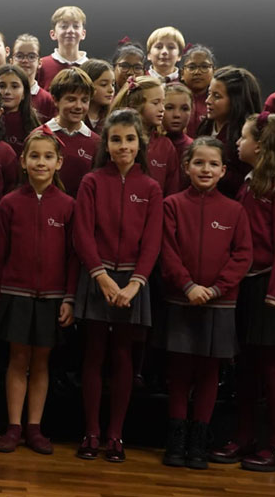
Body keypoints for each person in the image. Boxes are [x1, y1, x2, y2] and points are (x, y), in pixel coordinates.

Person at [210, 112, 275, 471]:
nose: (237, 142)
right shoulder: (249, 184)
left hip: (271, 289)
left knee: (272, 365)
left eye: (244, 137)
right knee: (247, 366)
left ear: (262, 145)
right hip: (247, 284)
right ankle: (245, 435)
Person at [71, 109, 163, 462]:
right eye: (116, 139)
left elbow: (152, 242)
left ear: (140, 143)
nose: (123, 146)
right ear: (106, 144)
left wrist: (134, 285)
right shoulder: (92, 181)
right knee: (94, 352)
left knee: (124, 354)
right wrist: (102, 277)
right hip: (99, 277)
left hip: (132, 283)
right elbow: (82, 233)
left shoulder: (151, 187)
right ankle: (91, 432)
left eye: (129, 139)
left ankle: (115, 435)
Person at [161, 137, 252, 470]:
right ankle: (176, 439)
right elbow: (167, 251)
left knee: (209, 371)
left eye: (213, 164)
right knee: (180, 370)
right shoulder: (171, 204)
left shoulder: (235, 210)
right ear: (187, 167)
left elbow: (243, 255)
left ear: (224, 170)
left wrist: (215, 290)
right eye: (199, 162)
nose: (206, 169)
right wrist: (187, 286)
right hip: (180, 299)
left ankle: (199, 439)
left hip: (219, 304)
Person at [0, 127, 77, 455]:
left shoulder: (68, 205)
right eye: (34, 156)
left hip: (52, 297)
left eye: (48, 157)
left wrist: (69, 297)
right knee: (18, 358)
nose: (41, 162)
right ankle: (13, 426)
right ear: (23, 161)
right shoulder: (9, 203)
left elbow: (73, 257)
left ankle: (35, 428)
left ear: (58, 163)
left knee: (41, 362)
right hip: (16, 294)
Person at [197, 66, 262, 200]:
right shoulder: (205, 126)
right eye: (209, 93)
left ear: (236, 101)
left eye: (216, 96)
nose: (208, 101)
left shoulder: (246, 135)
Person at [113, 75, 181, 195]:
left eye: (163, 103)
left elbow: (171, 190)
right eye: (155, 103)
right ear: (135, 104)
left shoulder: (165, 146)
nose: (162, 109)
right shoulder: (114, 141)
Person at [43, 68, 99, 198]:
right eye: (71, 99)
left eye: (84, 100)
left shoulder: (96, 142)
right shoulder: (40, 135)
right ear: (55, 100)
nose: (78, 106)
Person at [0, 64, 42, 156]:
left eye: (14, 86)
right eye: (1, 86)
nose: (7, 92)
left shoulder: (34, 127)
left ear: (24, 93)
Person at [37, 5, 89, 89]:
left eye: (76, 26)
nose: (70, 31)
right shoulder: (41, 65)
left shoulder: (91, 67)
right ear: (53, 34)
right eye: (64, 26)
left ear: (83, 34)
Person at [10, 33, 57, 119]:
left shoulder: (47, 100)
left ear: (40, 63)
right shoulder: (4, 95)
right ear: (11, 62)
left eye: (31, 57)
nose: (25, 60)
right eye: (19, 56)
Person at [180, 44, 215, 133]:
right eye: (192, 67)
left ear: (214, 72)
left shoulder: (219, 101)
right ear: (182, 73)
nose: (197, 72)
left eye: (204, 67)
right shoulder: (170, 96)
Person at [162, 82, 195, 165]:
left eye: (184, 109)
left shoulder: (194, 148)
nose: (177, 115)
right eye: (169, 108)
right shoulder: (149, 146)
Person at [81, 59, 116, 136]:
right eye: (104, 84)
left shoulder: (114, 117)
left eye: (113, 84)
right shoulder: (75, 117)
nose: (111, 90)